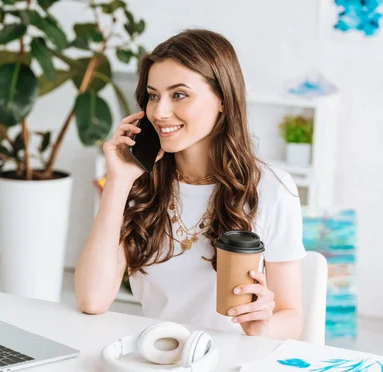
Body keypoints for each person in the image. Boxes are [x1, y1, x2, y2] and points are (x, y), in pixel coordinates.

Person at [74, 28, 306, 339]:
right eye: (153, 95)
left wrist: (262, 326)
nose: (160, 111)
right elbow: (92, 300)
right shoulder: (139, 184)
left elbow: (291, 315)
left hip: (232, 363)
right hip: (157, 357)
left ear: (222, 99)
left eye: (179, 94)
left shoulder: (272, 189)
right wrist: (118, 181)